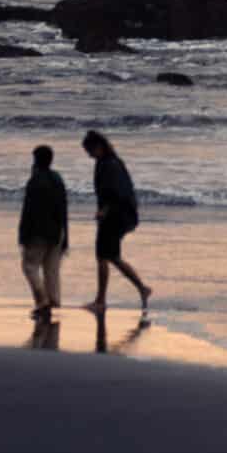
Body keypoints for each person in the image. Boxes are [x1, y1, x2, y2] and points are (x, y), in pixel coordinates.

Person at [81, 127, 152, 314]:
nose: (89, 155)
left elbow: (116, 193)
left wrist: (103, 210)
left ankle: (103, 300)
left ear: (99, 147)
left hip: (115, 216)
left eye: (90, 151)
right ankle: (139, 289)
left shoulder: (110, 164)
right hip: (116, 216)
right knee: (108, 257)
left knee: (106, 257)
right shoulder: (107, 162)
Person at [17, 141, 69, 321]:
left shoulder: (35, 181)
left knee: (29, 266)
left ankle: (41, 300)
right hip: (57, 231)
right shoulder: (57, 178)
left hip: (38, 231)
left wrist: (23, 235)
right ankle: (53, 300)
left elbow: (28, 210)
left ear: (36, 161)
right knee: (51, 269)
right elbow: (63, 208)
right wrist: (66, 236)